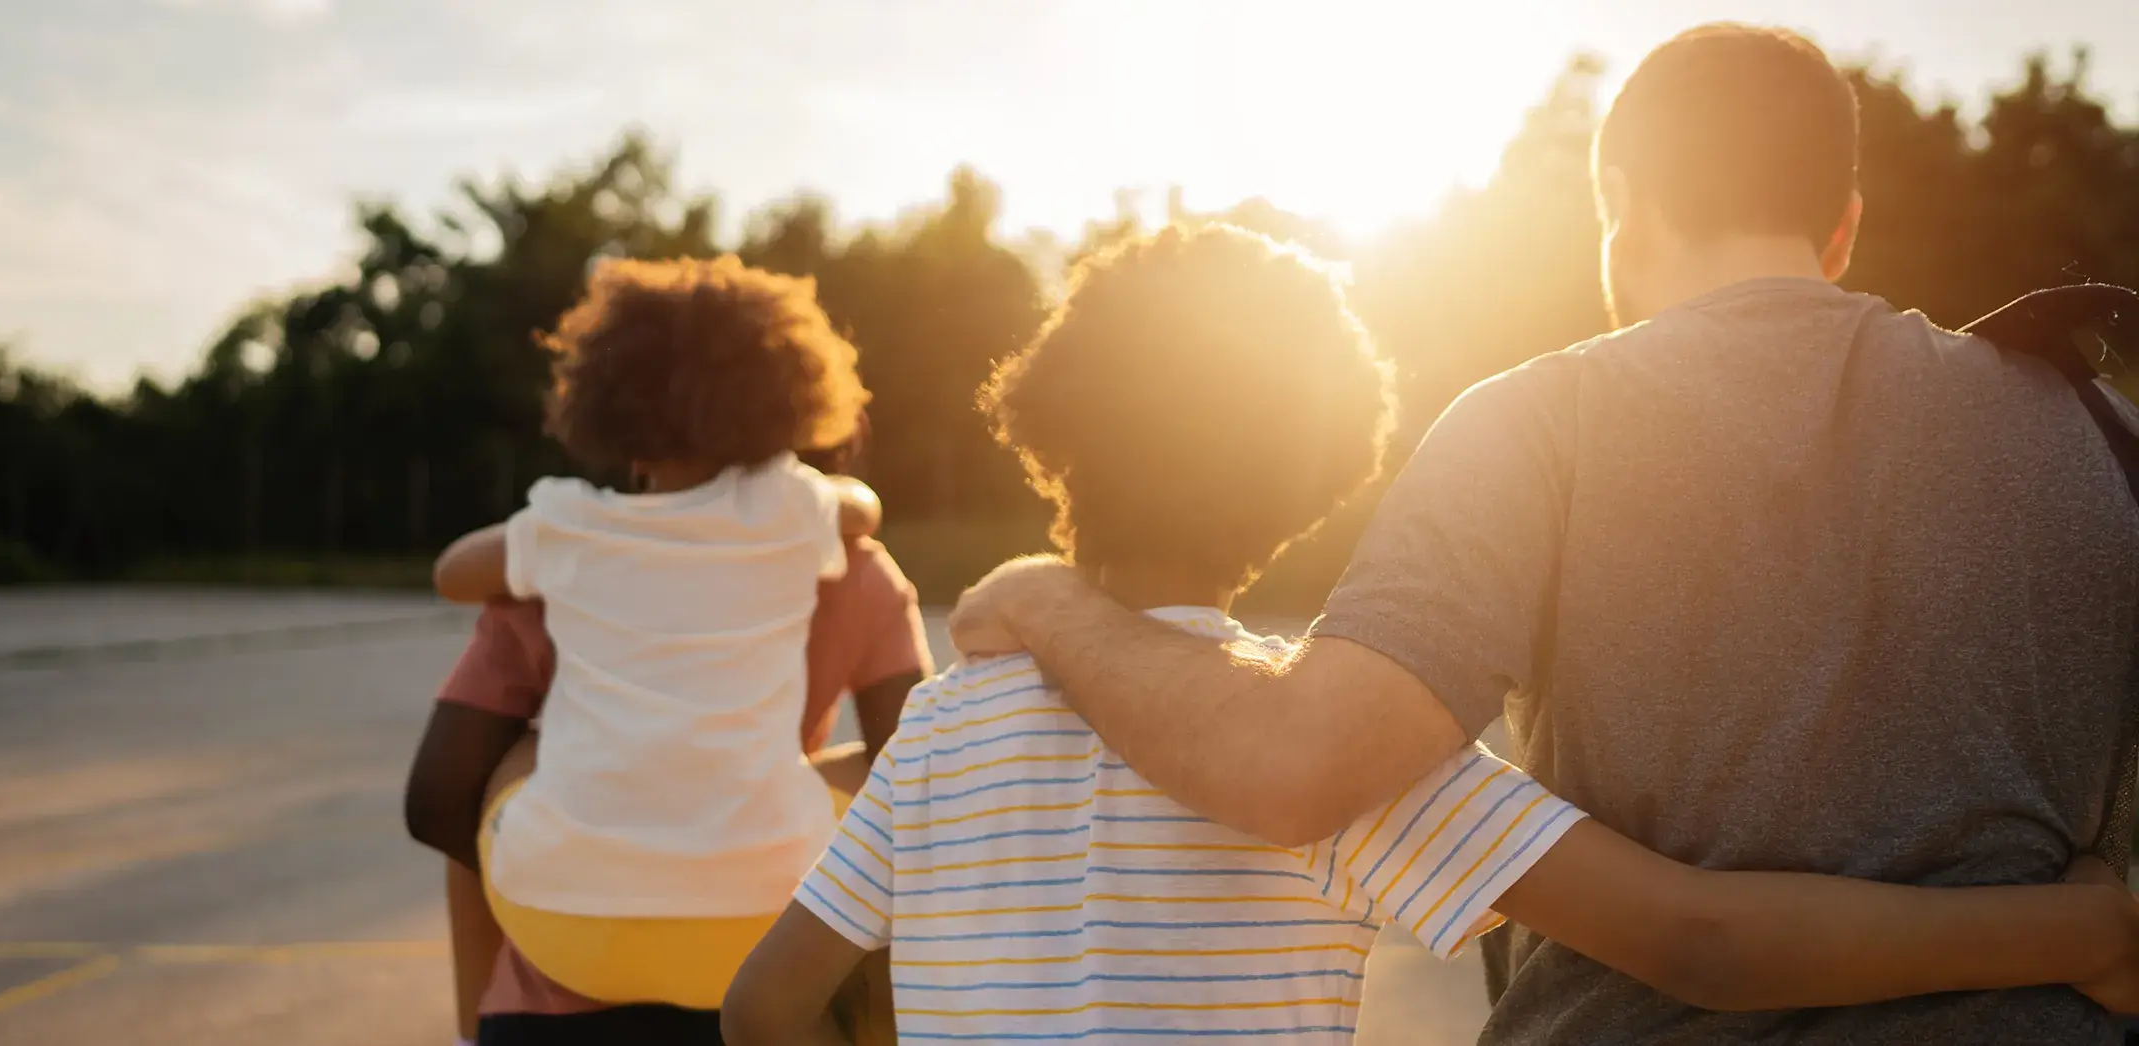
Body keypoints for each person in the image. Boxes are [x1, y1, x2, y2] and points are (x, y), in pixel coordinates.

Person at [944, 24, 2139, 1044]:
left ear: (1617, 204)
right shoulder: (2095, 422)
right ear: (1844, 228)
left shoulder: (1543, 419)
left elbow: (1291, 766)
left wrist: (1041, 596)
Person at [719, 222, 2139, 1046]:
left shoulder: (947, 727)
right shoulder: (1335, 752)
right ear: (1313, 481)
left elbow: (767, 1003)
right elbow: (1703, 941)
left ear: (1053, 437)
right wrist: (2079, 922)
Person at [418, 255, 893, 1023]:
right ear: (790, 410)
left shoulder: (571, 532)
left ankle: (473, 1030)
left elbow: (451, 574)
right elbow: (862, 508)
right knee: (894, 792)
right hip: (765, 929)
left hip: (563, 923)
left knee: (516, 758)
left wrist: (550, 539)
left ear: (610, 416)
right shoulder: (807, 521)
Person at [404, 453, 932, 1043]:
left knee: (500, 780)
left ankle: (471, 1033)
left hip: (565, 953)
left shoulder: (561, 552)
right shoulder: (846, 561)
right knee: (907, 781)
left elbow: (437, 800)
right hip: (773, 947)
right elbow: (919, 777)